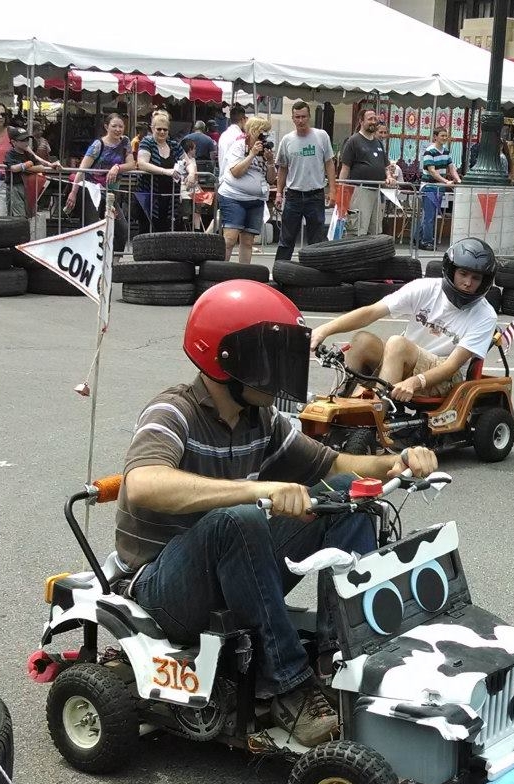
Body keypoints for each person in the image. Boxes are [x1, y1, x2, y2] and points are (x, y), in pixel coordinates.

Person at [117, 280, 439, 748]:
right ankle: (288, 688)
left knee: (347, 495)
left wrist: (397, 463)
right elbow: (142, 483)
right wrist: (258, 490)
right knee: (241, 517)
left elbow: (333, 465)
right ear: (229, 359)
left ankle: (343, 656)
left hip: (230, 564)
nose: (280, 371)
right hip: (161, 589)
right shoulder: (173, 411)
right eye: (269, 357)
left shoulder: (261, 419)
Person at [309, 238, 500, 404]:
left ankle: (375, 415)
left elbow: (452, 366)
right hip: (404, 359)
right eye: (463, 274)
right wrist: (325, 330)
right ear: (451, 271)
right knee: (362, 340)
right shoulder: (425, 289)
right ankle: (337, 400)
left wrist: (415, 382)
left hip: (444, 377)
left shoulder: (485, 315)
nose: (467, 283)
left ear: (484, 282)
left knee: (397, 343)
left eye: (475, 278)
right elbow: (372, 312)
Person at [273, 101, 332, 261]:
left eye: (304, 116)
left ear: (309, 117)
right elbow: (283, 168)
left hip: (315, 194)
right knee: (286, 239)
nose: (301, 120)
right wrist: (279, 193)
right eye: (297, 117)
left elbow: (329, 163)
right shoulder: (286, 140)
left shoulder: (321, 136)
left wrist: (332, 190)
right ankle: (280, 271)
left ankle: (316, 273)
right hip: (293, 195)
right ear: (292, 118)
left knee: (316, 240)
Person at [217, 114, 272, 264]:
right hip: (234, 196)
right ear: (253, 131)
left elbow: (271, 179)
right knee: (230, 238)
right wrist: (252, 154)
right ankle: (220, 272)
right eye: (262, 132)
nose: (264, 136)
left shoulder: (265, 149)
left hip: (256, 199)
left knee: (248, 241)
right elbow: (236, 172)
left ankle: (243, 275)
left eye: (266, 133)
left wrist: (271, 162)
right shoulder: (240, 145)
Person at [65, 113, 131, 226]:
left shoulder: (125, 142)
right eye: (114, 126)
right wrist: (73, 192)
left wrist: (117, 167)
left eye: (121, 126)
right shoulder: (98, 145)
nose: (118, 129)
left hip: (110, 192)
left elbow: (132, 164)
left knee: (121, 229)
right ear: (106, 127)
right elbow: (82, 169)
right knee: (92, 226)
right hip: (91, 190)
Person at [338, 109, 392, 238]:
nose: (373, 122)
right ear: (361, 121)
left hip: (377, 191)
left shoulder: (378, 142)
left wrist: (389, 176)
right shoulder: (353, 141)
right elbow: (345, 168)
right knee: (358, 229)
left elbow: (386, 166)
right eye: (370, 119)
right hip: (360, 191)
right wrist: (340, 191)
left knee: (375, 230)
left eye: (375, 119)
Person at [133, 109, 186, 235]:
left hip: (169, 199)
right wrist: (166, 171)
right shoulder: (147, 142)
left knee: (166, 232)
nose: (162, 132)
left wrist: (192, 173)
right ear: (152, 128)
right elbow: (142, 163)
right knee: (146, 232)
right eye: (159, 129)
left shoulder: (174, 145)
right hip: (148, 198)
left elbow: (188, 162)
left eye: (165, 129)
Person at [180, 117, 218, 232]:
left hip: (189, 181)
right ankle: (197, 228)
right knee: (200, 204)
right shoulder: (209, 140)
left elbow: (179, 153)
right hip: (204, 173)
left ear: (194, 128)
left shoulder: (186, 138)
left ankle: (193, 226)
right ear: (204, 129)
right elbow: (212, 157)